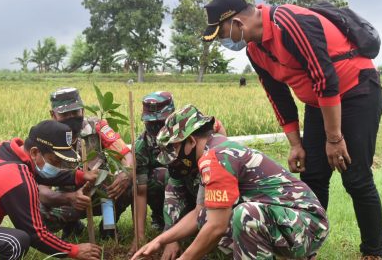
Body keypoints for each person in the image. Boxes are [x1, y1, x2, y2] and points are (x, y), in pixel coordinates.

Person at [201, 0, 382, 258]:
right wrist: (296, 144)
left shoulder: (288, 22)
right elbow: (279, 96)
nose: (224, 42)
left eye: (223, 34)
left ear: (238, 22)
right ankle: (308, 246)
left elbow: (324, 77)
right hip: (319, 102)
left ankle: (373, 250)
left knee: (355, 176)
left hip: (357, 91)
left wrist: (334, 139)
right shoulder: (255, 50)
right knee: (313, 176)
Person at [131, 105, 329, 260]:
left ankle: (297, 254)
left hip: (308, 224)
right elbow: (200, 213)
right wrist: (160, 240)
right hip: (289, 220)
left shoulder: (215, 157)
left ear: (191, 142)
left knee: (244, 215)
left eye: (174, 148)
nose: (173, 156)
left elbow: (217, 226)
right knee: (205, 217)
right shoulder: (213, 151)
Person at [0, 120, 101, 259]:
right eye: (55, 160)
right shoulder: (16, 179)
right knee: (15, 243)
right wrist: (73, 250)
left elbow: (39, 174)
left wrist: (80, 176)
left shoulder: (5, 150)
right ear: (34, 152)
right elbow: (36, 234)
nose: (58, 166)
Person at [133, 91, 227, 259]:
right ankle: (164, 221)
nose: (155, 127)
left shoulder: (210, 148)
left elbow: (214, 219)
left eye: (160, 122)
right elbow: (170, 194)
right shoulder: (147, 148)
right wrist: (168, 237)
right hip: (192, 191)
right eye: (150, 123)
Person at [40, 87, 133, 239]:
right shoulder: (45, 138)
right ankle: (72, 225)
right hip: (69, 199)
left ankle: (109, 228)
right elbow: (41, 190)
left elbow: (126, 155)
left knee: (132, 180)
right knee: (37, 208)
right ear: (53, 115)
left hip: (102, 195)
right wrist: (68, 198)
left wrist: (125, 173)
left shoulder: (97, 126)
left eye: (75, 112)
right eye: (64, 114)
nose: (71, 117)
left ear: (82, 110)